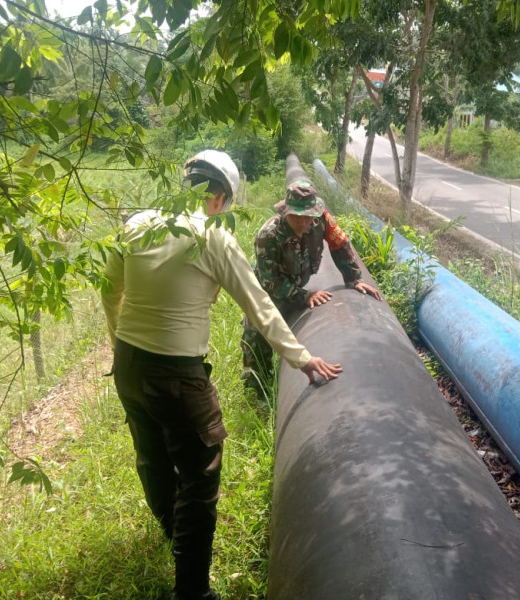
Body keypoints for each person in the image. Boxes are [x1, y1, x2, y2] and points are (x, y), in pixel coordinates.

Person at [100, 151, 342, 600]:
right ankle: (192, 590)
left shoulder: (136, 224)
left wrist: (119, 343)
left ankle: (177, 539)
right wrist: (303, 359)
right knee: (199, 477)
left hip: (129, 367)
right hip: (178, 374)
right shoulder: (212, 235)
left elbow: (110, 288)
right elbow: (259, 306)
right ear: (221, 197)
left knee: (151, 456)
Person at [241, 180, 380, 391]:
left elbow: (340, 244)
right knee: (256, 338)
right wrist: (303, 296)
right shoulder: (269, 236)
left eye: (309, 216)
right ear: (287, 213)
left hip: (295, 281)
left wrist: (354, 279)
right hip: (267, 291)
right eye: (298, 216)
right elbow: (270, 281)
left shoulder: (321, 220)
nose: (305, 222)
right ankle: (257, 390)